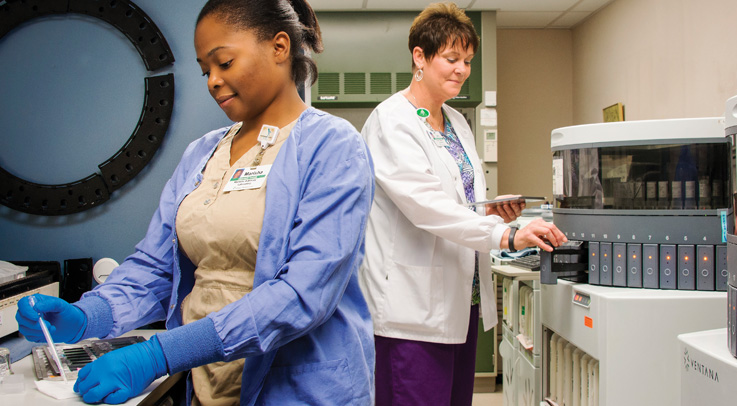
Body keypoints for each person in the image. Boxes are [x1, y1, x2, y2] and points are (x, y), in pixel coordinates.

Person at [15, 0, 375, 404]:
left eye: (224, 62)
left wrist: (160, 354)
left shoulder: (333, 146)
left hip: (299, 388)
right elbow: (156, 266)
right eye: (206, 70)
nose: (212, 81)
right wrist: (87, 315)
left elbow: (302, 294)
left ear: (279, 47)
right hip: (207, 383)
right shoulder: (202, 154)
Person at [358, 3, 568, 405]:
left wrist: (487, 210)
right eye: (452, 58)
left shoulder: (456, 122)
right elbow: (425, 206)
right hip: (410, 310)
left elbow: (454, 200)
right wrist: (506, 234)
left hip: (462, 297)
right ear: (419, 56)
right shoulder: (392, 121)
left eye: (468, 61)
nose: (462, 70)